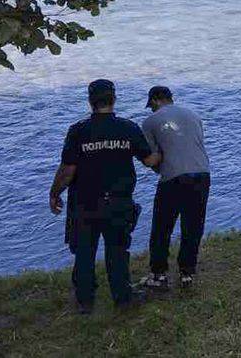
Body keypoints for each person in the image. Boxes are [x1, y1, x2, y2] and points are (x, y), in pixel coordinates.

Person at [48, 79, 160, 313]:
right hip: (119, 201)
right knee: (118, 251)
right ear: (114, 99)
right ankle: (122, 297)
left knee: (84, 253)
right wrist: (167, 148)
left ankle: (85, 301)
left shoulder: (78, 130)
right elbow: (150, 161)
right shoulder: (128, 128)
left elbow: (68, 170)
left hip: (84, 203)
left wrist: (54, 193)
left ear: (90, 102)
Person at [139, 86, 211, 290]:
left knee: (162, 227)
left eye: (151, 106)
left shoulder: (150, 122)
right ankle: (187, 272)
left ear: (154, 101)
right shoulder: (194, 115)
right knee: (193, 226)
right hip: (202, 174)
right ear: (171, 99)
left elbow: (154, 158)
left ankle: (159, 273)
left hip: (174, 178)